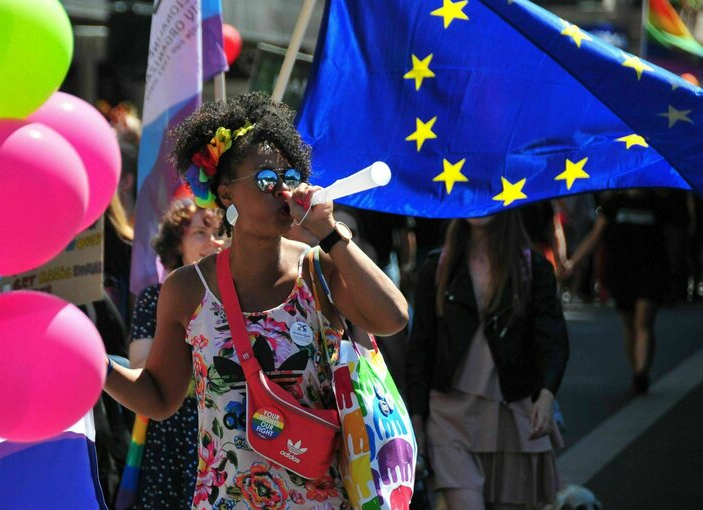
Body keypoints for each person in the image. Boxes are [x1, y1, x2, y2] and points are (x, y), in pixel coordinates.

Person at [104, 92, 409, 509]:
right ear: (226, 194)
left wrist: (333, 234)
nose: (283, 192)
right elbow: (159, 396)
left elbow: (393, 317)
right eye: (266, 181)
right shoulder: (186, 289)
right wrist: (96, 368)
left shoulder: (320, 269)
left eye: (290, 178)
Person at [407, 210, 569, 510]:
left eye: (488, 189)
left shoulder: (533, 268)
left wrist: (546, 395)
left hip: (514, 416)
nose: (479, 202)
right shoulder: (438, 267)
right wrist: (416, 423)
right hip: (449, 417)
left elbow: (552, 339)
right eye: (471, 190)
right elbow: (420, 350)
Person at [127, 198, 224, 509]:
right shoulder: (154, 298)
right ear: (176, 244)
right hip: (170, 437)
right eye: (200, 233)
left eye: (220, 232)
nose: (213, 242)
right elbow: (143, 370)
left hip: (224, 433)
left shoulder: (244, 299)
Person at [559, 189, 673, 393]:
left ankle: (642, 374)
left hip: (651, 270)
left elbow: (673, 237)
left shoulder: (657, 202)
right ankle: (637, 370)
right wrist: (573, 263)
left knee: (643, 320)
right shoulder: (614, 205)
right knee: (629, 323)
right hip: (622, 271)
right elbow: (595, 235)